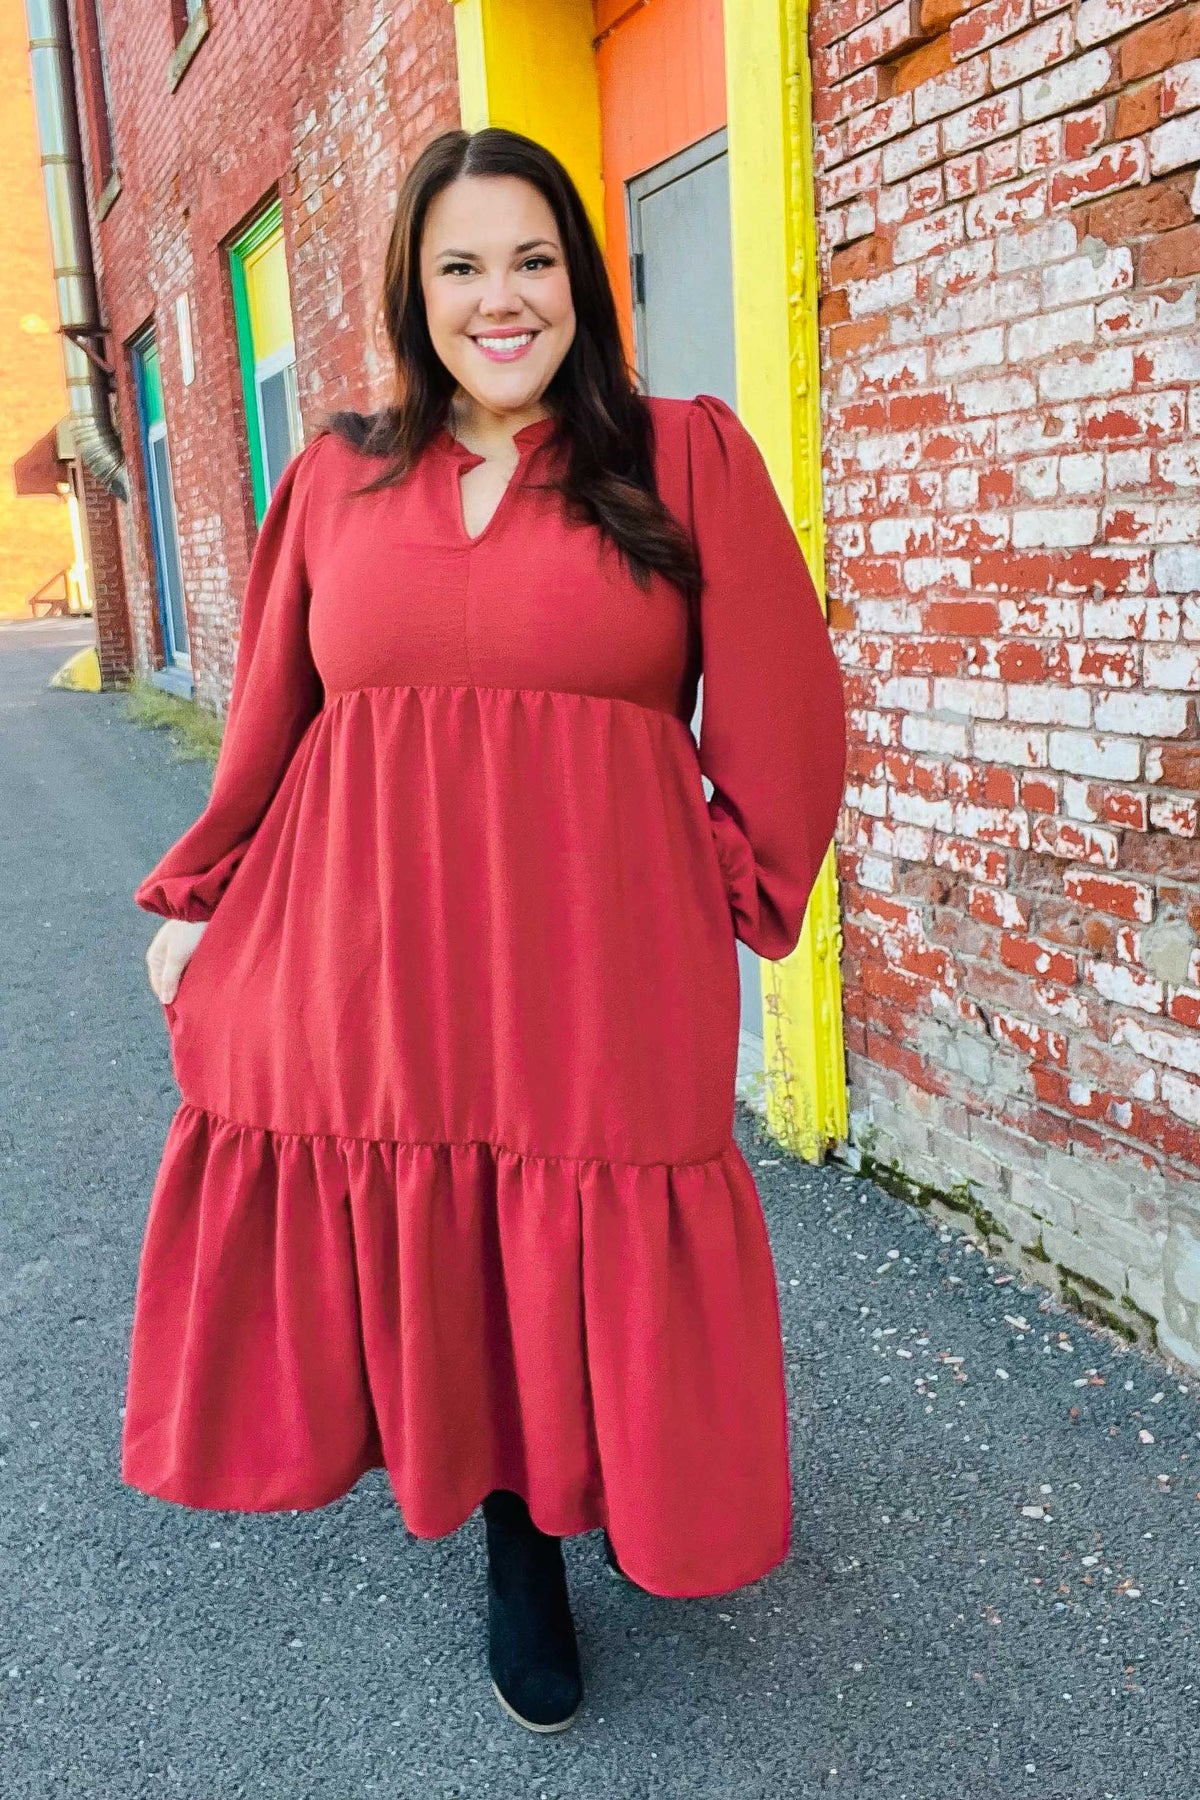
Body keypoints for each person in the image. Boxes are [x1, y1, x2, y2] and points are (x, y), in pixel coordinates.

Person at [128, 124, 847, 1733]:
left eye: (533, 259)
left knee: (594, 1214)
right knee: (456, 1230)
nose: (499, 297)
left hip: (601, 959)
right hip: (385, 954)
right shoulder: (335, 480)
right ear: (416, 289)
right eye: (461, 266)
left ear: (579, 280)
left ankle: (619, 1498)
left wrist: (717, 881)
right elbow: (274, 723)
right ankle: (517, 1549)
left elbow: (789, 710)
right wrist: (203, 898)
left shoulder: (682, 457)